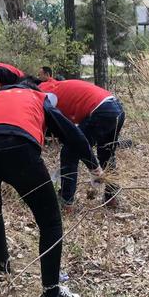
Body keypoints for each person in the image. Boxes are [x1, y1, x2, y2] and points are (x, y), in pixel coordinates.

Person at [0, 79, 103, 297]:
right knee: (50, 221)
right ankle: (51, 294)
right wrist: (95, 166)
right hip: (17, 147)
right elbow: (72, 134)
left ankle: (2, 266)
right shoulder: (38, 98)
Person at [37, 78, 125, 209]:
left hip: (100, 110)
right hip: (116, 108)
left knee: (69, 152)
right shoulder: (55, 87)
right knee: (106, 153)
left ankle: (66, 202)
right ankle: (111, 197)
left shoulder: (42, 93)